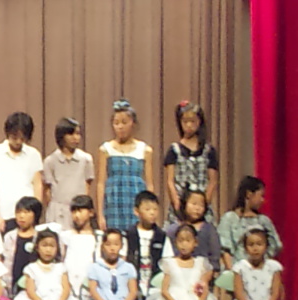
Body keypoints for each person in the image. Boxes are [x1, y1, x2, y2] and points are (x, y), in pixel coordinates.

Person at [96, 99, 154, 230]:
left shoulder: (144, 149)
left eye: (124, 122)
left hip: (136, 198)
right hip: (114, 200)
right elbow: (101, 183)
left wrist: (150, 209)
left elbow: (149, 184)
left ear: (133, 123)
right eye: (116, 123)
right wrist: (100, 214)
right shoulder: (106, 149)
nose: (120, 127)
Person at [0, 112, 43, 234]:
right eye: (14, 137)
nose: (18, 141)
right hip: (4, 213)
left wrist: (35, 214)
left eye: (22, 138)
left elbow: (37, 185)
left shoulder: (34, 154)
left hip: (27, 214)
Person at [164, 100, 218, 225]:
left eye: (193, 121)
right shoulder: (174, 150)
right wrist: (177, 203)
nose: (189, 125)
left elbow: (213, 180)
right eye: (185, 121)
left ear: (199, 122)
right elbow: (170, 181)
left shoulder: (208, 150)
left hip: (201, 204)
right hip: (180, 203)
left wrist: (204, 203)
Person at [218, 176, 283, 270]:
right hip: (236, 270)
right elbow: (225, 250)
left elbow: (275, 245)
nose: (263, 200)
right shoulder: (230, 218)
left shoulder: (263, 221)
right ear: (249, 194)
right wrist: (234, 273)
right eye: (261, 196)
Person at [43, 118, 94, 230]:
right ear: (62, 136)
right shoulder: (50, 161)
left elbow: (87, 186)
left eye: (78, 134)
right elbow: (47, 190)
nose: (76, 138)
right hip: (57, 211)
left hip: (78, 210)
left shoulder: (86, 159)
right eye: (71, 134)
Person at [124, 191, 174, 298]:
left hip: (155, 288)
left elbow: (168, 263)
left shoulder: (162, 237)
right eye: (147, 209)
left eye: (155, 209)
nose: (152, 213)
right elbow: (123, 260)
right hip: (131, 288)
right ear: (136, 211)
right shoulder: (128, 235)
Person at [166, 189, 221, 271]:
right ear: (184, 204)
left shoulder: (209, 230)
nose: (197, 208)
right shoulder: (173, 229)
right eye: (194, 204)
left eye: (201, 205)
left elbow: (214, 255)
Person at [60, 195, 101, 300]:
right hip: (70, 283)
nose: (77, 215)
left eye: (80, 211)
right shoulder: (67, 236)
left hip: (90, 285)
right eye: (74, 212)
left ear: (91, 212)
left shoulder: (99, 237)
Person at [1, 197, 42, 294]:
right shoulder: (9, 236)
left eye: (26, 212)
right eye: (18, 212)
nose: (21, 216)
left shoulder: (40, 237)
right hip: (12, 282)